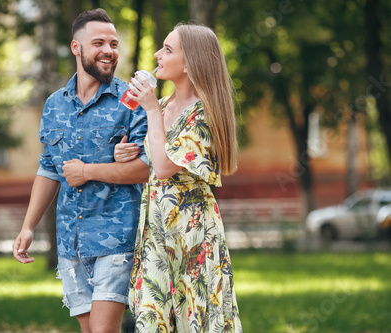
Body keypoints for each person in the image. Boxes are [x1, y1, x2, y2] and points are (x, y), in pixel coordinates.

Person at [12, 8, 149, 333]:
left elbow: (146, 169)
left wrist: (88, 171)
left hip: (116, 239)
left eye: (114, 44)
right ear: (77, 47)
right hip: (70, 242)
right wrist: (28, 226)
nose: (109, 51)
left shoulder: (132, 101)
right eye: (99, 42)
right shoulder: (54, 104)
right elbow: (49, 169)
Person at [114, 23, 243, 332]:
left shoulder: (203, 114)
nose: (158, 55)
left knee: (194, 320)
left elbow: (163, 167)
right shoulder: (162, 106)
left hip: (192, 239)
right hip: (156, 235)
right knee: (151, 320)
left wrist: (150, 112)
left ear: (189, 64)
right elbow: (154, 163)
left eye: (168, 50)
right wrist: (127, 154)